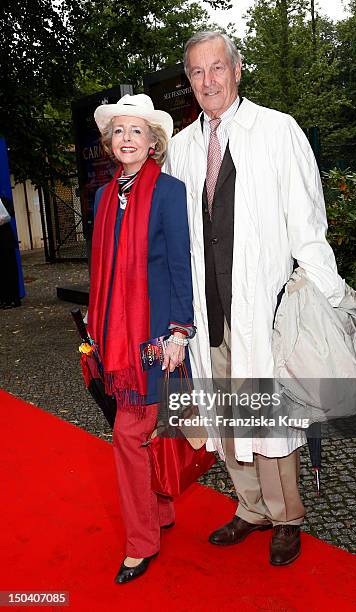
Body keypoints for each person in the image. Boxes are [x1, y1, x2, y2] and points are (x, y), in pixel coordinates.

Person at [164, 31, 345, 566]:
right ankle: (251, 507)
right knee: (225, 412)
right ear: (189, 82)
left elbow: (307, 219)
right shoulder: (182, 146)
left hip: (260, 307)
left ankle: (286, 515)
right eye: (197, 73)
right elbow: (177, 234)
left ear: (237, 71)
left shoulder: (277, 130)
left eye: (217, 68)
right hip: (207, 309)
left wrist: (324, 295)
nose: (208, 81)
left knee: (268, 414)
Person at [89, 94, 194, 583]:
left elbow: (179, 265)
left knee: (128, 436)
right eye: (119, 131)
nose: (127, 138)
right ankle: (161, 513)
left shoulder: (170, 191)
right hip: (114, 335)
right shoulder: (102, 197)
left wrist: (179, 331)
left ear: (154, 142)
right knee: (143, 432)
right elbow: (103, 270)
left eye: (137, 131)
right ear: (110, 143)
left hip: (153, 339)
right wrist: (96, 324)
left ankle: (140, 542)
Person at [0, 194, 21, 309]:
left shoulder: (3, 199)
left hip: (6, 241)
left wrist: (3, 218)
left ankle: (13, 299)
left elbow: (11, 212)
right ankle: (3, 299)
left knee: (10, 270)